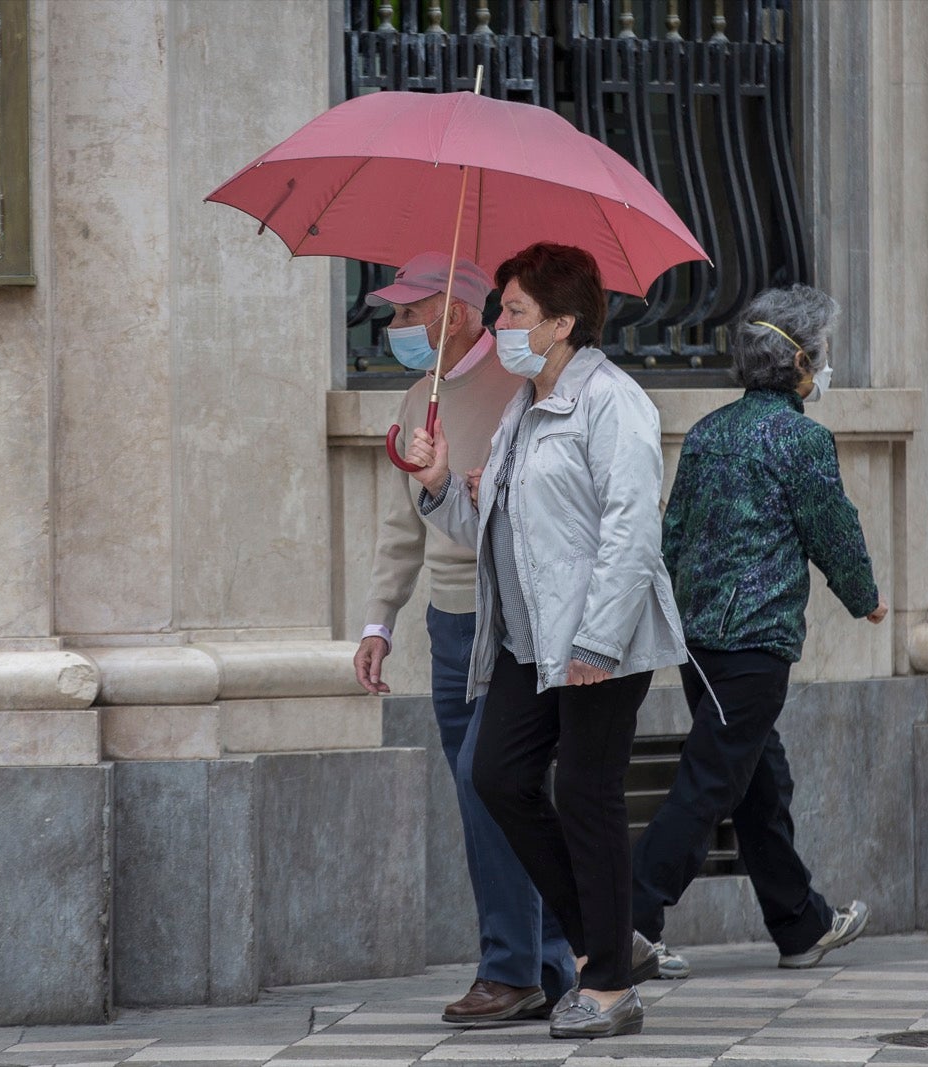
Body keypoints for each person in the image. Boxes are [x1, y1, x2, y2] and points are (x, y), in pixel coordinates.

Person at [404, 242, 688, 1040]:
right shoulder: (521, 408)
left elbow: (633, 532)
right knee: (496, 776)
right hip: (530, 646)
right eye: (500, 311)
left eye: (515, 311)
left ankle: (608, 986)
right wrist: (436, 489)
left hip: (601, 644)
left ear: (564, 322)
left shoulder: (614, 403)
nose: (500, 325)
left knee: (586, 798)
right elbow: (490, 528)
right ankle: (613, 938)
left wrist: (596, 642)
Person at [629, 283, 888, 976]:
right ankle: (626, 916)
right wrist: (864, 597)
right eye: (824, 350)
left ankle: (799, 922)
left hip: (702, 644)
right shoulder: (803, 439)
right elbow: (831, 525)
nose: (827, 364)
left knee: (759, 780)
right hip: (753, 646)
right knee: (711, 783)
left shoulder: (710, 431)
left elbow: (674, 532)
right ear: (799, 360)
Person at [352, 251, 575, 1024]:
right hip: (448, 623)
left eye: (406, 315)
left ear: (448, 315)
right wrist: (380, 619)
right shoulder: (421, 394)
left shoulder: (521, 388)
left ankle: (513, 966)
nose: (395, 329)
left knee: (491, 782)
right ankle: (547, 961)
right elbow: (401, 522)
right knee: (491, 792)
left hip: (510, 620)